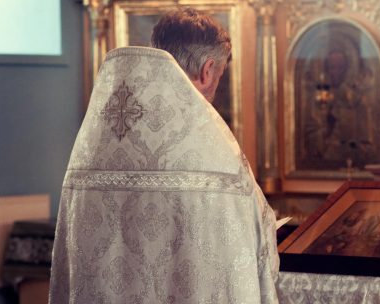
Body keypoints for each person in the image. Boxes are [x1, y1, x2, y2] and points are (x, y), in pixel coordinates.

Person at [49, 8, 279, 303]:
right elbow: (254, 246)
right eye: (219, 76)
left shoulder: (95, 140)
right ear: (208, 70)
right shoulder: (217, 152)